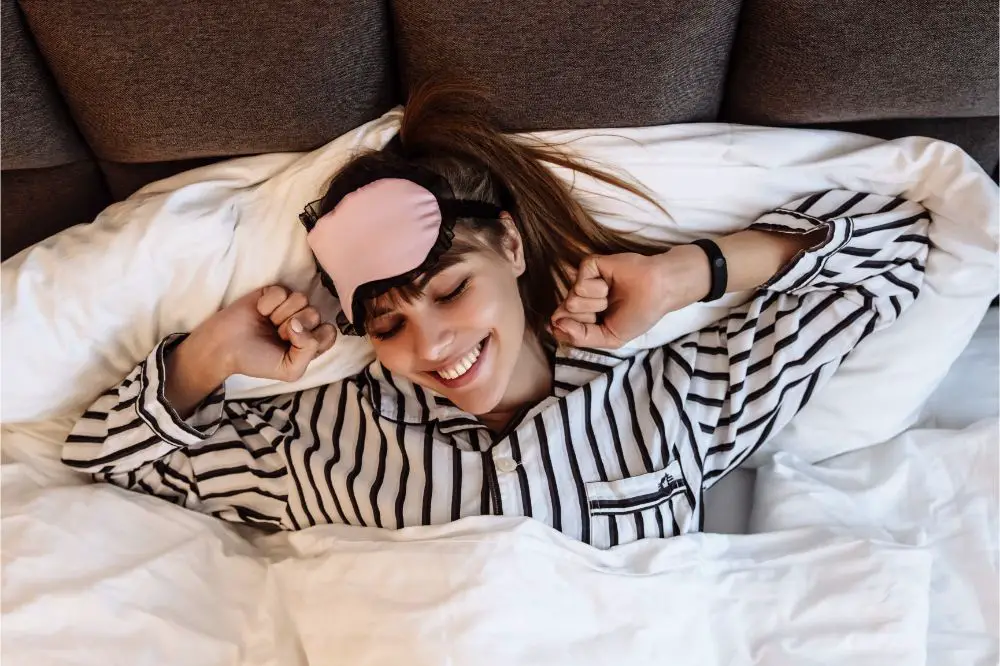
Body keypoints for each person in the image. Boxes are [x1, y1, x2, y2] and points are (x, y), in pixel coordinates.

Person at [62, 81, 930, 549]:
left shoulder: (680, 401)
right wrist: (212, 351)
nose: (433, 345)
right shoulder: (320, 442)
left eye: (448, 291)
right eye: (390, 325)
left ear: (510, 247)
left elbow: (894, 246)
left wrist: (682, 275)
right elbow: (104, 455)